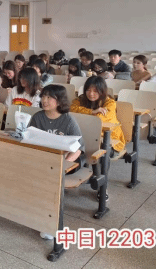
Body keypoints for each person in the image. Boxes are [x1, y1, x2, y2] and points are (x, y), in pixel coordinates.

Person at [28, 84, 85, 241]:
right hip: (44, 160)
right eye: (43, 96)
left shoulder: (68, 120)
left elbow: (78, 148)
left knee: (50, 181)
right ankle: (38, 215)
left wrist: (64, 164)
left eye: (49, 97)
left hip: (65, 161)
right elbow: (30, 139)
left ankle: (51, 224)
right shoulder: (38, 117)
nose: (44, 100)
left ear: (59, 101)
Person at [70, 76, 126, 155]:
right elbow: (72, 109)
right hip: (87, 135)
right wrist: (91, 112)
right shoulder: (81, 99)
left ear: (102, 91)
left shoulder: (110, 103)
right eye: (88, 90)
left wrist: (83, 115)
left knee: (89, 148)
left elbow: (98, 119)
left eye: (95, 91)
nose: (91, 94)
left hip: (109, 139)